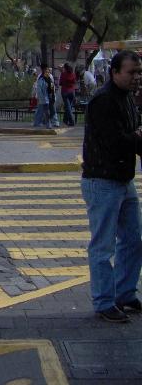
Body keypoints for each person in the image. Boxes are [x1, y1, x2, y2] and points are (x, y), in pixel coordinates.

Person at [81, 49, 142, 323]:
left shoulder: (128, 98)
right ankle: (104, 300)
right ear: (115, 72)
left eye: (138, 72)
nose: (136, 78)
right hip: (103, 180)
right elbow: (115, 141)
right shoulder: (103, 101)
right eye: (131, 72)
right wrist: (137, 136)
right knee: (103, 246)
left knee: (132, 240)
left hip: (124, 180)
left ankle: (124, 293)